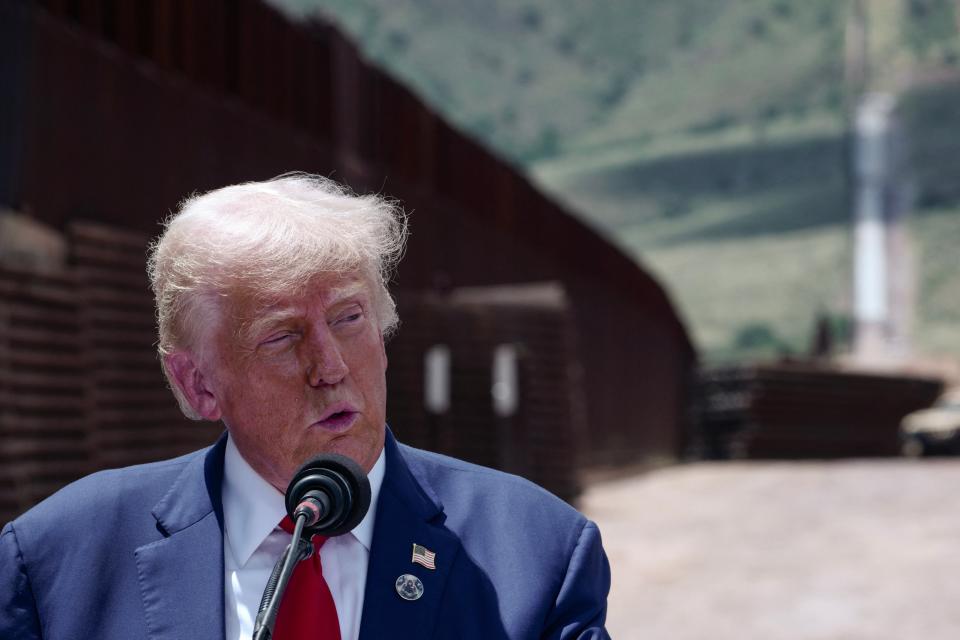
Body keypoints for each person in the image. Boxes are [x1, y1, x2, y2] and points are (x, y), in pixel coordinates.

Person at [0, 174, 611, 639]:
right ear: (197, 384)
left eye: (348, 319)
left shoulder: (537, 551)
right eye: (281, 337)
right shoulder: (58, 561)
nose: (331, 367)